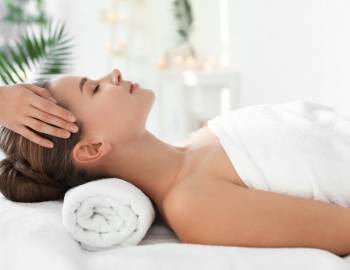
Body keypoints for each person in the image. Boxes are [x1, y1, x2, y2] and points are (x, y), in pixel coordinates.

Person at [1, 68, 350, 256]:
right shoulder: (194, 205)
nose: (115, 74)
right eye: (93, 88)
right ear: (92, 149)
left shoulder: (198, 140)